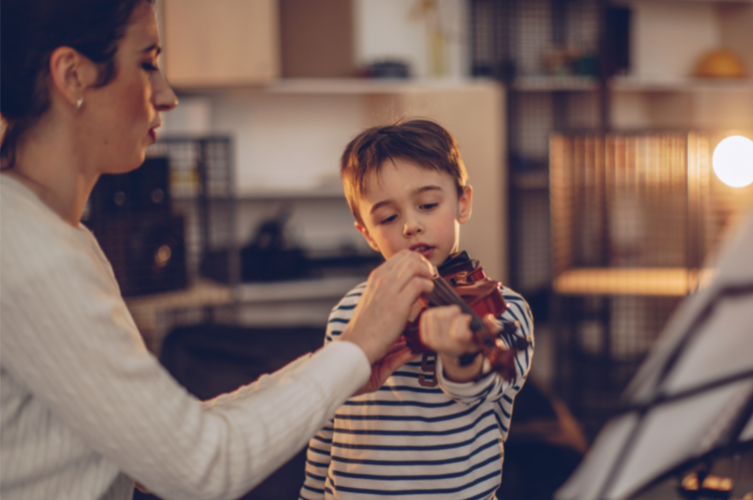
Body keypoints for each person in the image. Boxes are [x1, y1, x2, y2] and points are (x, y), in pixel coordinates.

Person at [0, 1, 478, 499]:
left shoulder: (65, 237)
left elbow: (156, 447)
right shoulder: (32, 256)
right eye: (147, 63)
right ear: (73, 75)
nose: (167, 95)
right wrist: (354, 350)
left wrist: (343, 364)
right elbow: (197, 467)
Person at [300, 120, 535, 499]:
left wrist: (461, 354)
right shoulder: (349, 312)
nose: (411, 225)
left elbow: (481, 386)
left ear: (463, 203)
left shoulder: (505, 310)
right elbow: (327, 421)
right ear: (367, 233)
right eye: (388, 218)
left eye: (427, 205)